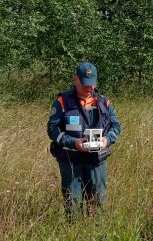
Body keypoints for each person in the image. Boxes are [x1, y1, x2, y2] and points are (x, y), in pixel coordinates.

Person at [47, 62, 121, 217]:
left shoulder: (104, 102)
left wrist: (106, 141)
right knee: (72, 202)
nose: (89, 89)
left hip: (97, 160)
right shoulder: (62, 102)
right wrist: (73, 143)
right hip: (70, 160)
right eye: (85, 84)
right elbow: (52, 129)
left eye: (92, 84)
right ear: (75, 79)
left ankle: (97, 236)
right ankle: (74, 234)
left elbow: (116, 127)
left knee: (97, 203)